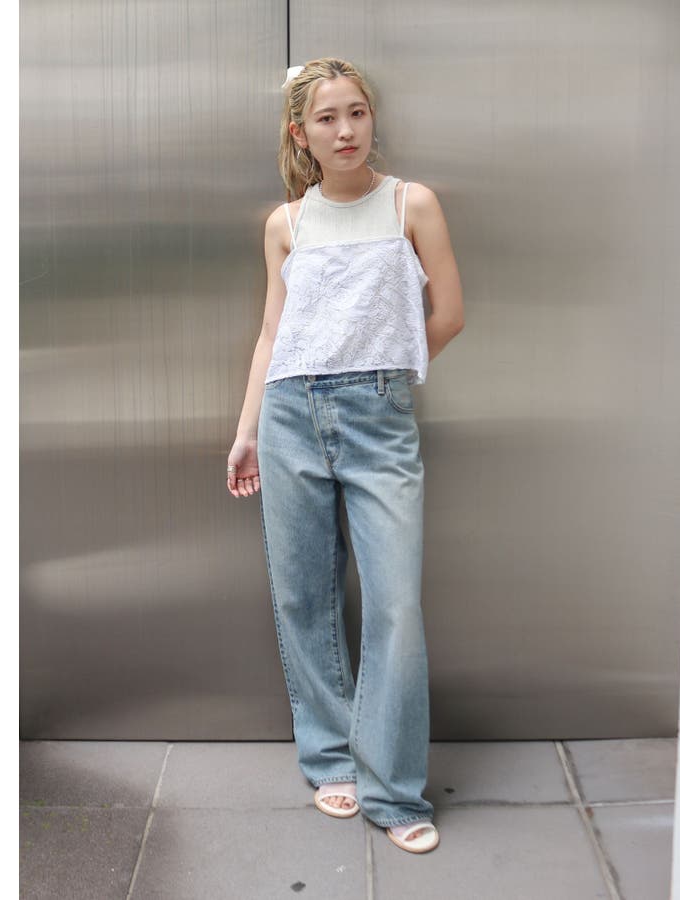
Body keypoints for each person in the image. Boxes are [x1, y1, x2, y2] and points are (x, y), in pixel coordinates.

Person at [226, 57, 464, 855]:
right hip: (290, 412)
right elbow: (273, 334)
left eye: (356, 112)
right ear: (302, 134)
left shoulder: (410, 204)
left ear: (371, 118)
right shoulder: (286, 224)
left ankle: (394, 791)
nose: (346, 130)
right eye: (327, 118)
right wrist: (247, 430)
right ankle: (330, 758)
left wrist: (386, 373)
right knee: (305, 593)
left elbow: (449, 313)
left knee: (394, 604)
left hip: (378, 416)